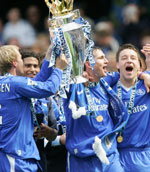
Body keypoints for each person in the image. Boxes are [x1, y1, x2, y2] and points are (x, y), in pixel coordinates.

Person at [0, 45, 68, 172]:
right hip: (16, 155)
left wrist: (48, 56)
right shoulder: (16, 84)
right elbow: (48, 88)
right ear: (15, 63)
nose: (21, 60)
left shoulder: (9, 83)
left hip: (16, 152)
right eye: (21, 58)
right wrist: (59, 69)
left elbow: (38, 81)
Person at [63, 47, 128, 172]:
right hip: (82, 160)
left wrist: (144, 75)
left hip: (109, 157)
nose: (107, 61)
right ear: (88, 64)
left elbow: (129, 75)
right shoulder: (72, 86)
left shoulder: (106, 81)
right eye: (101, 58)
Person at [110, 43, 150, 172]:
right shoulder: (108, 90)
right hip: (115, 156)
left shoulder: (146, 86)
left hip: (143, 156)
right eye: (124, 58)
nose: (129, 60)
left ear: (139, 65)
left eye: (133, 58)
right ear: (117, 64)